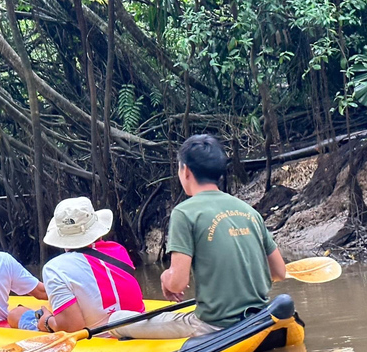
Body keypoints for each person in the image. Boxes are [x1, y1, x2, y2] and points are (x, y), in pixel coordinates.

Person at [108, 134, 287, 339]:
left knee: (116, 320)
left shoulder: (184, 213)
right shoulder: (248, 211)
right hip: (260, 315)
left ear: (185, 171)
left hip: (213, 326)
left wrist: (165, 278)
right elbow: (279, 272)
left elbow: (177, 283)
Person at [9, 196, 145, 333]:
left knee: (16, 314)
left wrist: (46, 321)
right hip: (137, 330)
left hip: (97, 338)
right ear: (98, 230)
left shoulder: (54, 269)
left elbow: (72, 328)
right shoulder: (118, 250)